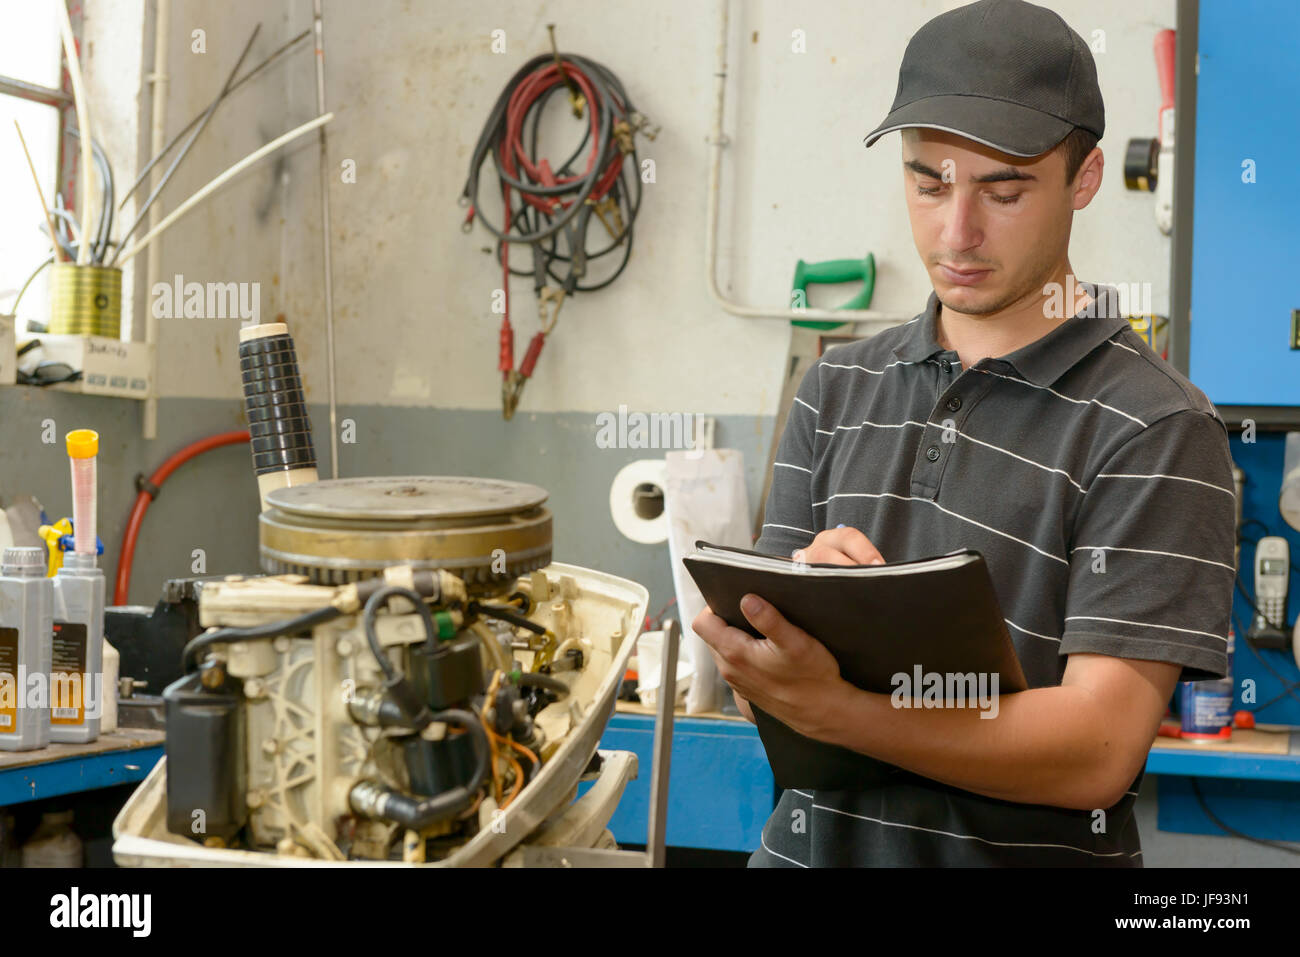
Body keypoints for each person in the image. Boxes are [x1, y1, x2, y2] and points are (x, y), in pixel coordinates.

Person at [691, 0, 1235, 866]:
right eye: (929, 182)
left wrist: (846, 708)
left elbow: (1097, 749)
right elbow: (761, 686)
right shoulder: (836, 385)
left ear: (1084, 178)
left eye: (1004, 189)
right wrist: (800, 629)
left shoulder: (1159, 425)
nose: (957, 232)